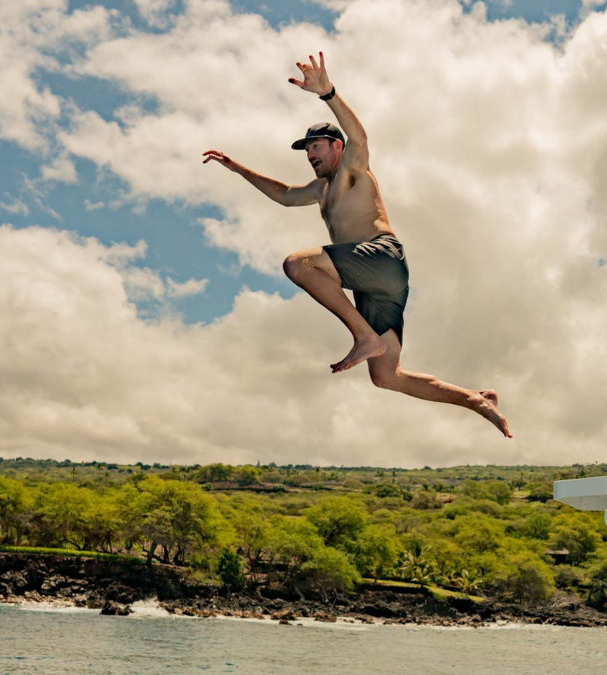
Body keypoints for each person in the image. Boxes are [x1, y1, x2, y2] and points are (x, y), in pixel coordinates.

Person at [202, 53, 511, 438]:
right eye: (306, 150)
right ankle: (476, 399)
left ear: (335, 146)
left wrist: (327, 93)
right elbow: (283, 194)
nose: (310, 155)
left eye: (315, 147)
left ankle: (364, 336)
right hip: (374, 282)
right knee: (386, 376)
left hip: (381, 256)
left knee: (298, 265)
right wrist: (237, 168)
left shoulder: (352, 168)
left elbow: (360, 137)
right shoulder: (320, 189)